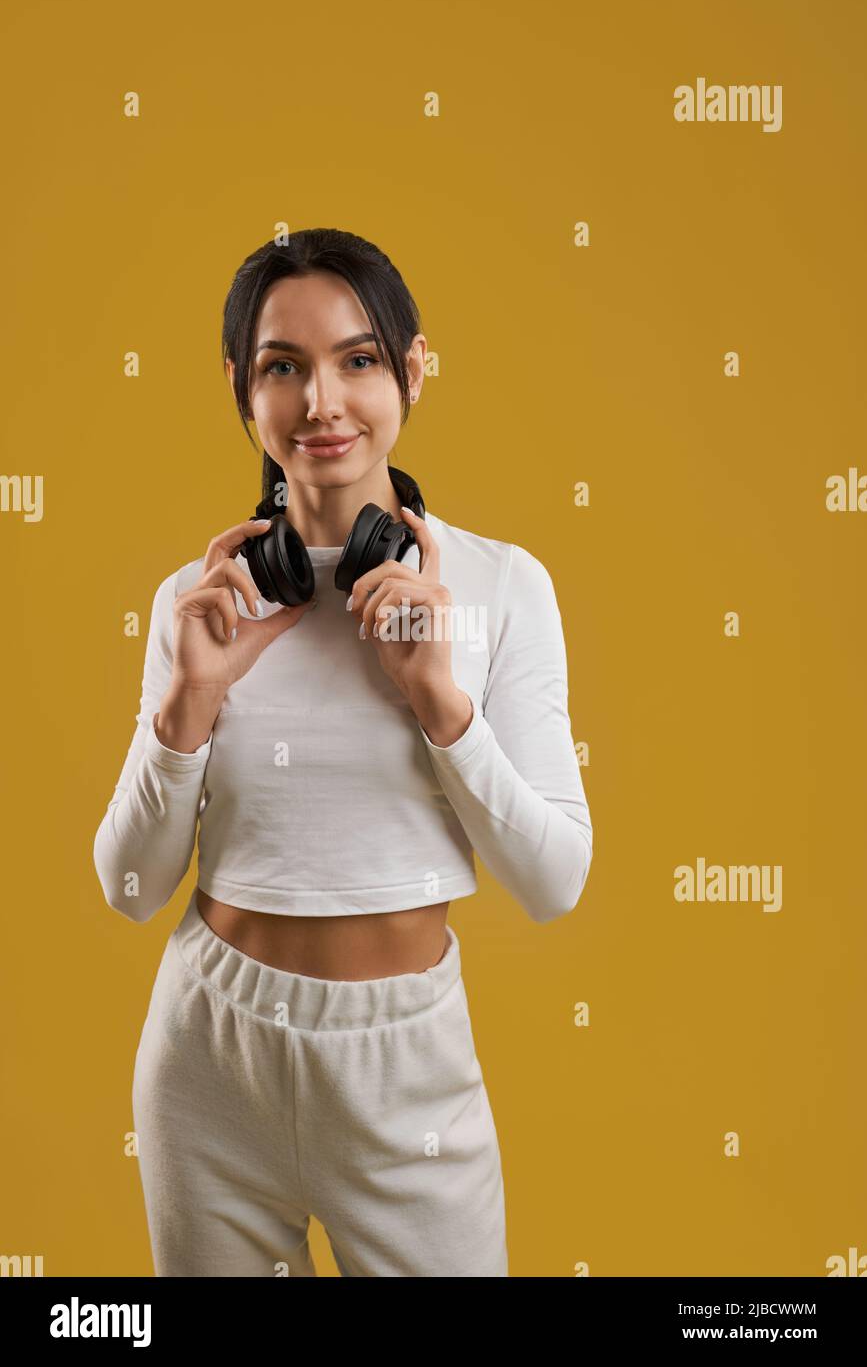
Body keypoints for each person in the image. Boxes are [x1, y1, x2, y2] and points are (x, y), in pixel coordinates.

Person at [93, 228, 594, 1277]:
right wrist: (189, 702)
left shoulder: (502, 589)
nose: (323, 402)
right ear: (243, 388)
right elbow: (133, 887)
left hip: (406, 1068)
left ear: (413, 370)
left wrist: (440, 703)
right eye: (285, 366)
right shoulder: (198, 605)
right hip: (208, 1061)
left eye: (359, 360)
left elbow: (552, 881)